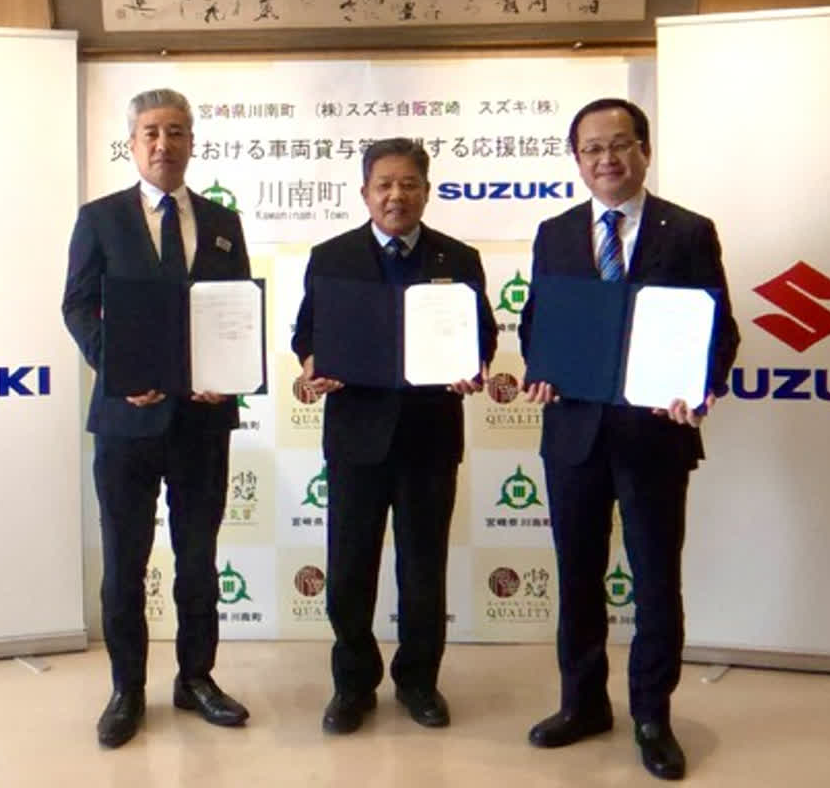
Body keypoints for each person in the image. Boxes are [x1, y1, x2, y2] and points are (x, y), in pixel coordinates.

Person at [519, 98, 740, 781]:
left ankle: (651, 716)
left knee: (654, 580)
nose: (606, 159)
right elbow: (537, 322)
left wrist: (699, 388)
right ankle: (582, 704)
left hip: (654, 434)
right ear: (576, 159)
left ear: (644, 150)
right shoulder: (555, 232)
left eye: (619, 144)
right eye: (591, 149)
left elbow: (718, 329)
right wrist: (541, 369)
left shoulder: (688, 230)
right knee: (578, 577)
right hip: (574, 434)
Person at [62, 88, 251, 749]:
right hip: (126, 423)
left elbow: (235, 309)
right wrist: (118, 368)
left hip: (202, 423)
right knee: (125, 563)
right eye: (151, 132)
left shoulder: (223, 221)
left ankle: (196, 679)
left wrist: (230, 375)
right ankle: (127, 690)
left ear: (192, 142)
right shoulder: (99, 219)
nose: (163, 144)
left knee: (198, 560)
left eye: (175, 131)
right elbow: (77, 306)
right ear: (132, 144)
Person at [291, 138, 497, 734]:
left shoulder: (459, 258)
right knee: (348, 570)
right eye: (384, 184)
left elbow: (482, 335)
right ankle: (352, 685)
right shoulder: (331, 256)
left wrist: (475, 366)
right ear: (365, 192)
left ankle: (418, 682)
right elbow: (306, 333)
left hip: (430, 437)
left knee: (423, 570)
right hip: (356, 438)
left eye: (409, 184)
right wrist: (310, 363)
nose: (395, 195)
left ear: (427, 192)